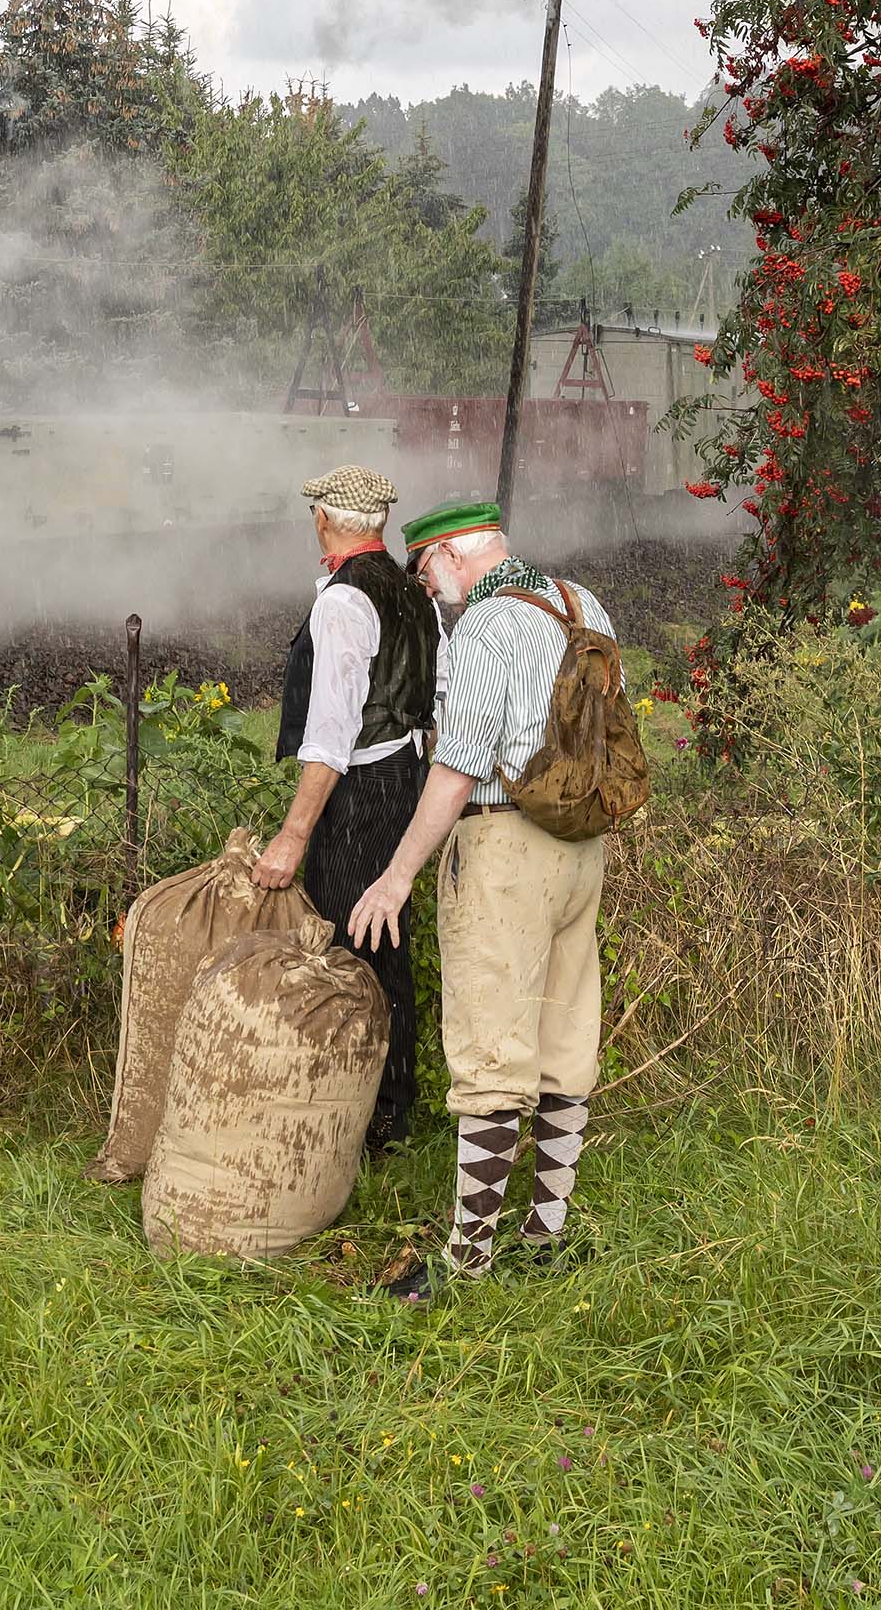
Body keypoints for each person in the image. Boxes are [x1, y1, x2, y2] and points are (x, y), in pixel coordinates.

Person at [346, 500, 617, 1301]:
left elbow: (457, 768)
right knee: (566, 1035)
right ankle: (545, 1236)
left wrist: (397, 876)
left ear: (457, 556)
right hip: (581, 847)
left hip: (504, 848)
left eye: (427, 570)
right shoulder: (580, 603)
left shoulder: (484, 630)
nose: (428, 587)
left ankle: (467, 1262)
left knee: (491, 1052)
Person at [248, 463, 438, 1152]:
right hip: (405, 781)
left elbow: (331, 736)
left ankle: (359, 1120)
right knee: (386, 943)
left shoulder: (342, 601)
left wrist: (293, 836)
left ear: (324, 519)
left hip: (359, 795)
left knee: (349, 954)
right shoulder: (414, 591)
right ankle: (393, 1111)